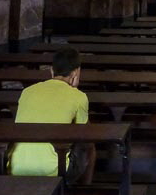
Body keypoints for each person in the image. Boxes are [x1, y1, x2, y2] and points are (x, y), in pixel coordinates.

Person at [10, 47, 94, 183]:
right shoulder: (79, 97)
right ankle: (85, 190)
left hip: (16, 167)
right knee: (90, 146)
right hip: (55, 170)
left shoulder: (27, 92)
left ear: (51, 70)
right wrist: (74, 91)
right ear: (76, 73)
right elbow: (85, 134)